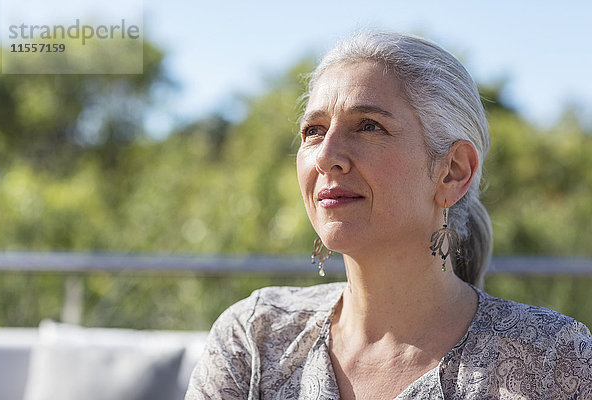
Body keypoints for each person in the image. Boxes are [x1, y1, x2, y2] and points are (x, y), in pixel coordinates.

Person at [186, 31, 592, 399]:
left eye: (368, 126)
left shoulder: (551, 360)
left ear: (453, 172)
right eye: (313, 130)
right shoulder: (255, 339)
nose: (326, 156)